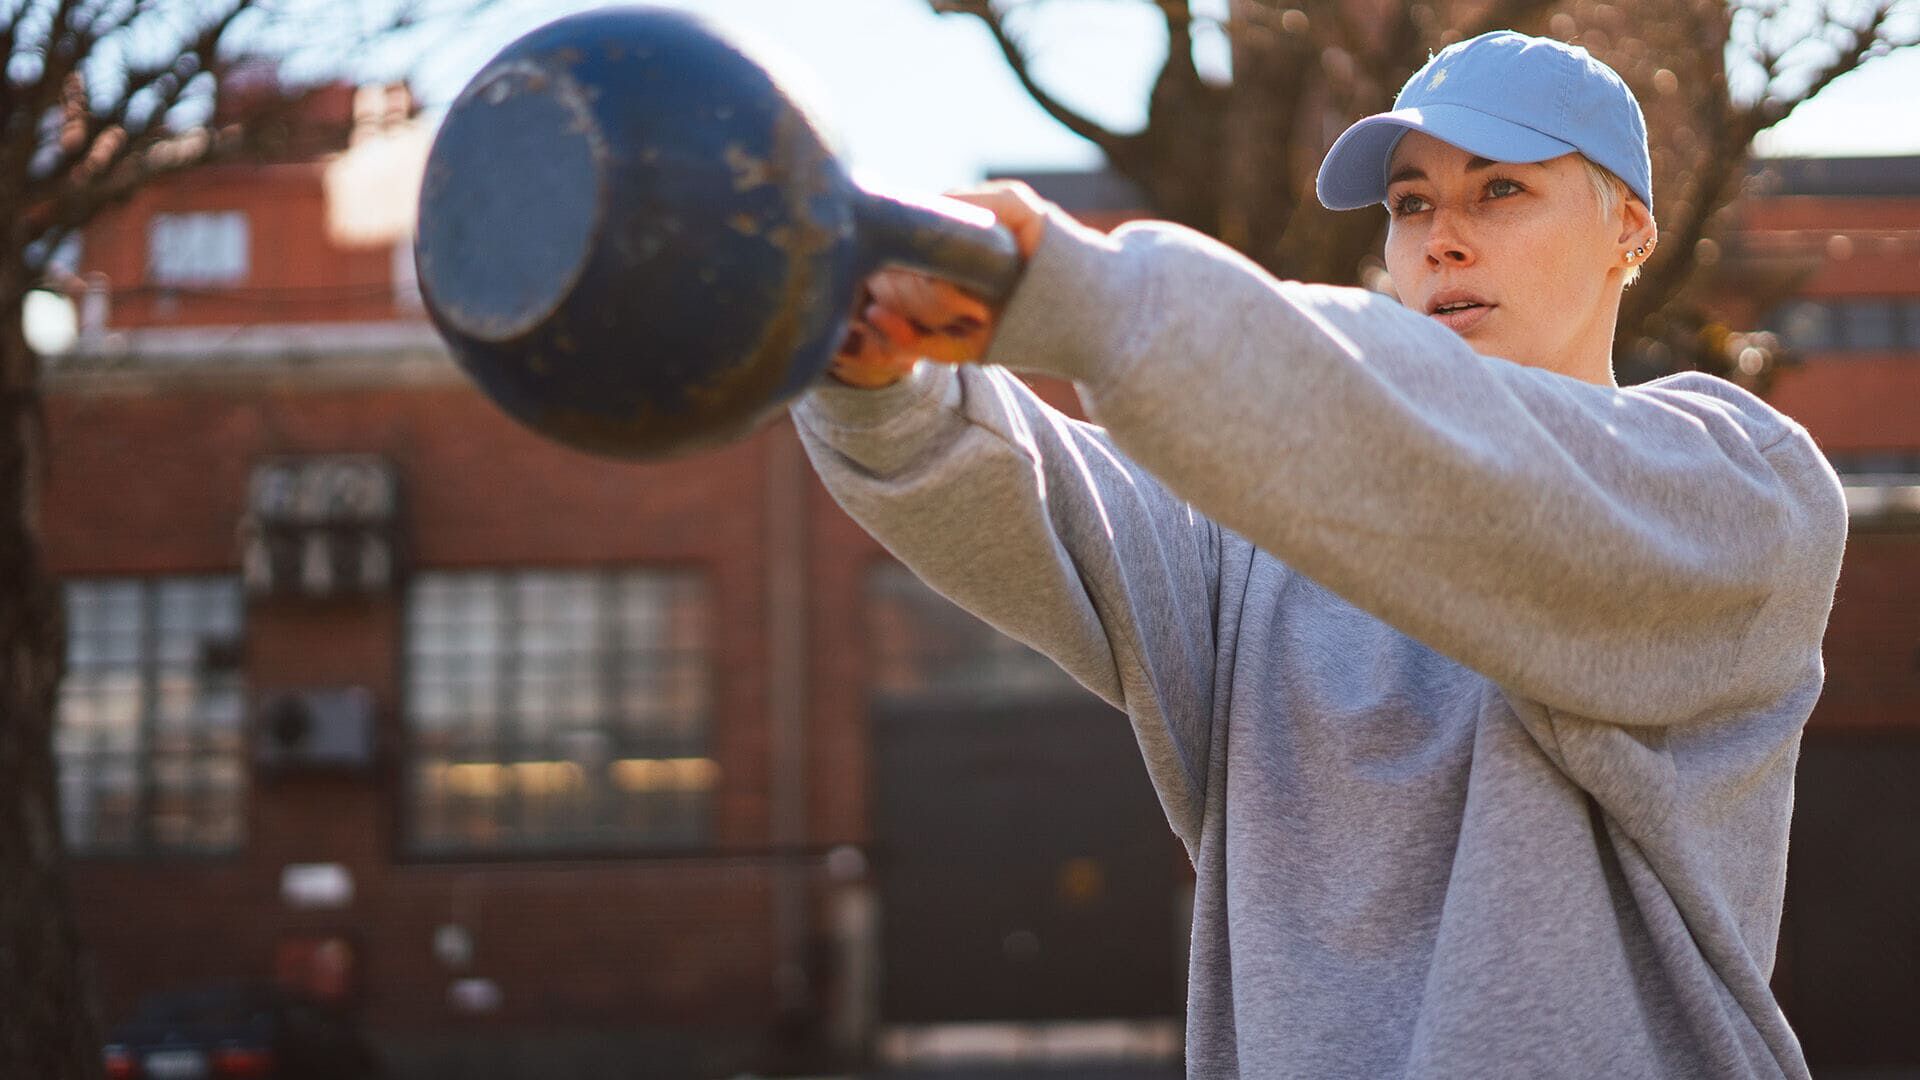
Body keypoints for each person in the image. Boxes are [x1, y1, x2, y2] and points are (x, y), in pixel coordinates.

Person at [794, 30, 1845, 1079]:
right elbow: (1025, 494)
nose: (1441, 240)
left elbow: (1463, 457)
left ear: (1629, 228)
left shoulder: (1741, 495)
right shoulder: (1258, 558)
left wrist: (1079, 290)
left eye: (1501, 192)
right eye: (1411, 204)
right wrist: (870, 371)